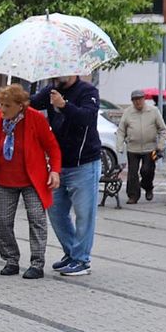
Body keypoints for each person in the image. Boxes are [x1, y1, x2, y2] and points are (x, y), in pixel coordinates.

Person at [0, 85, 61, 278]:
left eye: (7, 105)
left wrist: (54, 171)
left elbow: (52, 147)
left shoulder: (35, 118)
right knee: (3, 222)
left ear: (20, 105)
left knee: (37, 220)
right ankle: (11, 260)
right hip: (4, 180)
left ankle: (37, 263)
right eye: (1, 104)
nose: (2, 109)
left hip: (32, 180)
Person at [30, 74, 101, 276]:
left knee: (84, 214)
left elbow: (87, 118)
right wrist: (13, 100)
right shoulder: (51, 90)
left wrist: (64, 105)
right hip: (59, 164)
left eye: (61, 71)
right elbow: (32, 103)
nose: (57, 76)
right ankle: (72, 253)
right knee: (55, 211)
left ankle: (82, 260)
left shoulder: (88, 91)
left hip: (84, 163)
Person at [117, 89, 166, 204]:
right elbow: (121, 131)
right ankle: (133, 196)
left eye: (139, 99)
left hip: (149, 147)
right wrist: (119, 146)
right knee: (132, 173)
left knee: (147, 171)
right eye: (135, 100)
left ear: (144, 99)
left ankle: (148, 187)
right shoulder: (128, 112)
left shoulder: (153, 111)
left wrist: (160, 145)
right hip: (133, 147)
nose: (137, 102)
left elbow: (163, 130)